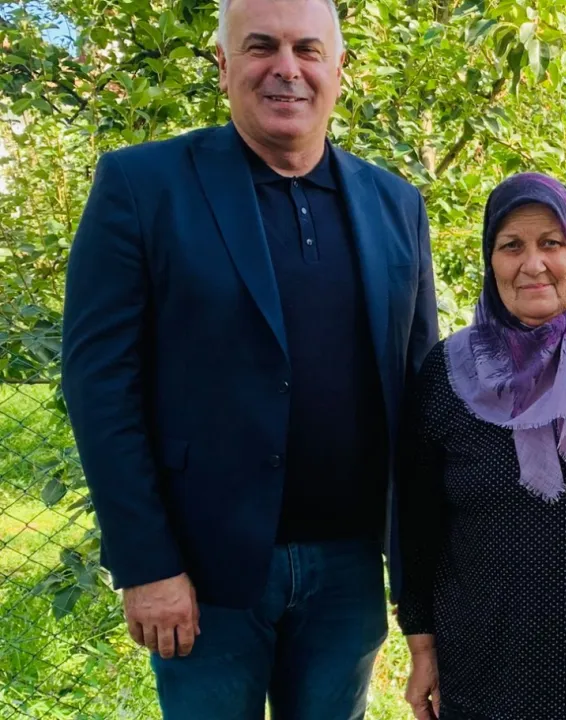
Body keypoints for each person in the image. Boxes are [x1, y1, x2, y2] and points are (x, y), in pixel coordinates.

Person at [60, 0, 439, 714]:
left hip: (349, 571)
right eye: (261, 46)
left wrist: (423, 572)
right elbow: (99, 383)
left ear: (339, 67)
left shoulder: (395, 203)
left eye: (307, 50)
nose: (286, 69)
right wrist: (147, 564)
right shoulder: (144, 186)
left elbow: (420, 390)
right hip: (203, 576)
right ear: (223, 64)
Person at [396, 172, 566, 720]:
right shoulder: (448, 373)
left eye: (552, 243)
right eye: (511, 246)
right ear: (490, 259)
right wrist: (421, 646)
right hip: (481, 670)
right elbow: (419, 521)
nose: (533, 264)